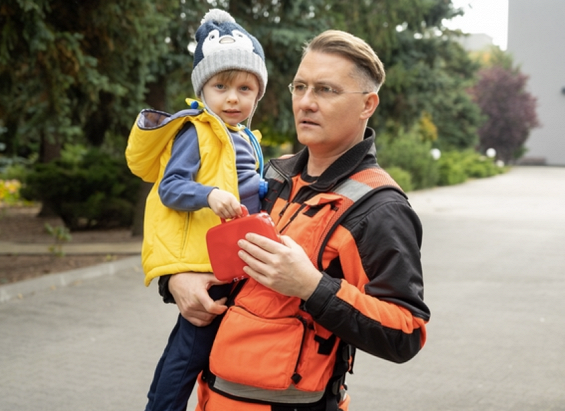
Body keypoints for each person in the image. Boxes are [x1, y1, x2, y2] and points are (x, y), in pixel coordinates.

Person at [165, 30, 431, 410]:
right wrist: (175, 281)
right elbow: (200, 241)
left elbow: (405, 333)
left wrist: (311, 286)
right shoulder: (270, 177)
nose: (306, 102)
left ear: (367, 104)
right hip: (213, 397)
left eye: (326, 90)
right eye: (300, 86)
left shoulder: (378, 207)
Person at [125, 8, 268, 411]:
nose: (233, 97)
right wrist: (209, 195)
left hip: (231, 256)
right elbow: (170, 187)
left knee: (197, 346)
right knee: (190, 351)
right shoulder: (197, 130)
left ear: (258, 94)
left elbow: (248, 185)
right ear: (203, 90)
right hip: (206, 264)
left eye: (245, 88)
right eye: (221, 86)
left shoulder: (245, 137)